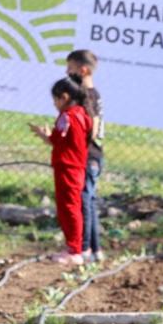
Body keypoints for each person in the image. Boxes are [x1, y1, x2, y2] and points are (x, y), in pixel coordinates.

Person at [29, 77, 90, 266]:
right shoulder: (82, 114)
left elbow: (56, 140)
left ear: (64, 97)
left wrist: (43, 135)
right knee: (72, 206)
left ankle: (74, 250)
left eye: (55, 100)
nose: (55, 104)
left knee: (68, 208)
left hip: (67, 168)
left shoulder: (67, 116)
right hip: (77, 167)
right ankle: (74, 247)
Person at [66, 49, 104, 263]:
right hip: (91, 156)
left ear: (83, 70)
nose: (66, 72)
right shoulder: (91, 94)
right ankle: (95, 250)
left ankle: (84, 249)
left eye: (70, 68)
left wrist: (81, 149)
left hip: (89, 156)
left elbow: (94, 127)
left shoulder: (87, 96)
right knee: (88, 201)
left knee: (83, 200)